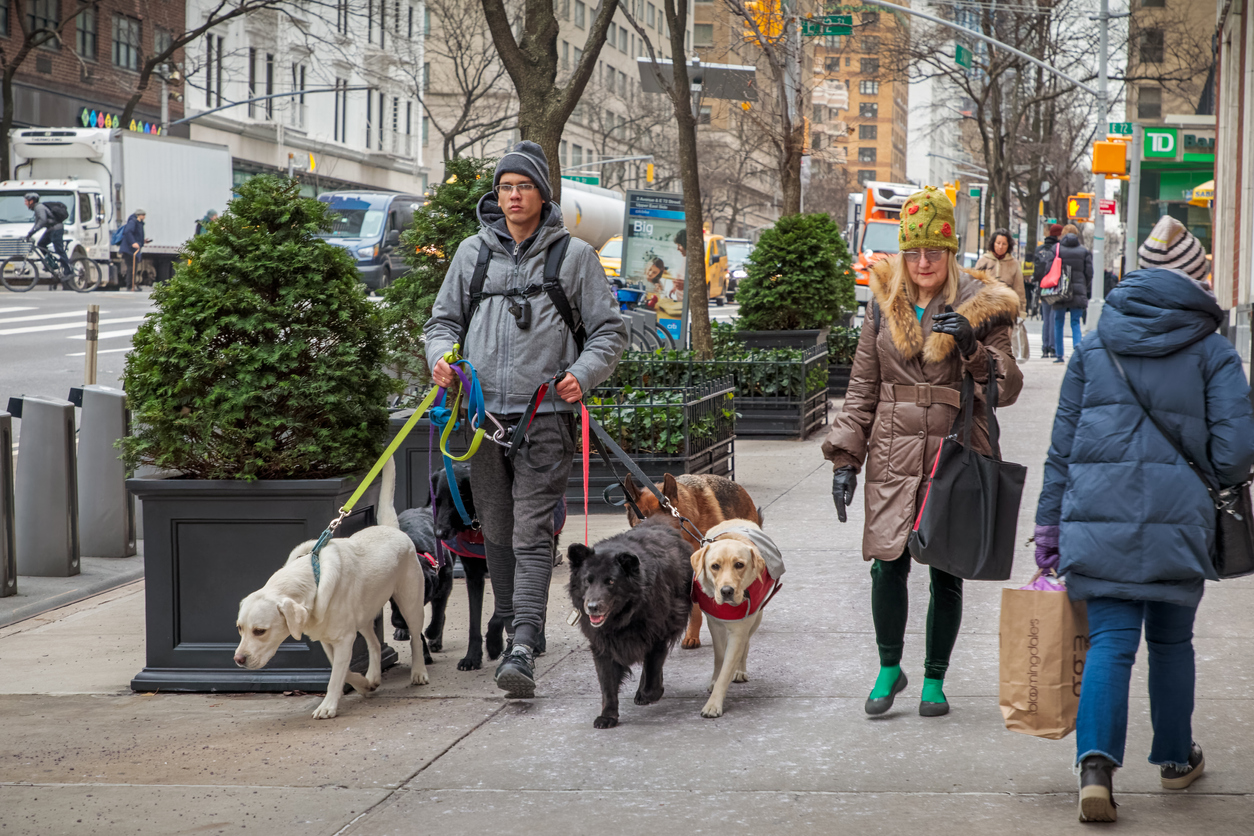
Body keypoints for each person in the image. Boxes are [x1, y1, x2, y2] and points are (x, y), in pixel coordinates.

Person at [1035, 215, 1254, 823]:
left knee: (1110, 641)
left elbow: (1063, 445)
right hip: (1181, 521)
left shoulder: (1098, 343)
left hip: (1094, 517)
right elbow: (1236, 454)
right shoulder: (1213, 350)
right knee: (1171, 641)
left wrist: (1049, 526)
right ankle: (1176, 761)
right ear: (1193, 279)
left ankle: (1096, 770)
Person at [425, 141, 627, 698]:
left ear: (543, 195)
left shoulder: (574, 258)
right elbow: (441, 322)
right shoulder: (472, 253)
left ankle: (522, 642)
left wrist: (581, 376)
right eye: (506, 187)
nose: (514, 196)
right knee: (495, 531)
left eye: (525, 187)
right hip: (481, 420)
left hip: (546, 417)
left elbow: (610, 332)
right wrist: (441, 358)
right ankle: (521, 627)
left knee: (532, 531)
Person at [823, 187, 1023, 717]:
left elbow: (1010, 385)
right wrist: (846, 459)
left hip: (955, 449)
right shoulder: (883, 300)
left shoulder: (984, 303)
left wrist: (973, 349)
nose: (923, 261)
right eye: (912, 251)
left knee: (945, 568)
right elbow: (862, 386)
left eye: (934, 250)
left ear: (951, 250)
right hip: (891, 449)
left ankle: (935, 678)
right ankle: (890, 667)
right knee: (886, 564)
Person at [1051, 223, 1093, 364]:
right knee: (1076, 322)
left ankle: (1059, 355)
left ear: (1062, 234)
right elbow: (1089, 273)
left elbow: (1048, 270)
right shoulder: (1084, 251)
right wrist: (1083, 285)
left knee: (1059, 322)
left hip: (1060, 290)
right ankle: (1077, 351)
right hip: (1078, 290)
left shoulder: (1056, 250)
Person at [974, 228, 1026, 317]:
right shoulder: (983, 261)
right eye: (998, 243)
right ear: (993, 243)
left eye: (1004, 244)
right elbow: (974, 286)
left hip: (1006, 310)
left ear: (1008, 245)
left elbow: (1019, 290)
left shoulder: (1014, 264)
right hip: (985, 309)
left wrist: (1021, 312)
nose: (1000, 247)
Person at [24, 193, 71, 279]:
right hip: (51, 230)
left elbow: (42, 221)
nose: (25, 203)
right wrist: (30, 233)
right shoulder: (37, 208)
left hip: (56, 229)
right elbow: (37, 224)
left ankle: (68, 271)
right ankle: (51, 264)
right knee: (41, 244)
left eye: (26, 201)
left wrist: (31, 233)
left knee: (59, 250)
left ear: (32, 201)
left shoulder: (39, 208)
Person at [1033, 223, 1063, 358]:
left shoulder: (1039, 249)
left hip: (1043, 286)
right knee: (1054, 316)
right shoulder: (1058, 249)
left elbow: (1037, 270)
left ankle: (1045, 347)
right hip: (1055, 285)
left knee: (1046, 318)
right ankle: (1052, 346)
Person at [120, 209, 150, 292]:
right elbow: (128, 232)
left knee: (134, 268)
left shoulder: (138, 223)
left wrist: (142, 241)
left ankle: (133, 285)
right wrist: (133, 242)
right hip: (129, 249)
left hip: (133, 249)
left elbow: (136, 234)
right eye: (143, 215)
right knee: (131, 267)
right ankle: (130, 286)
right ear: (139, 215)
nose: (144, 217)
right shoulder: (133, 221)